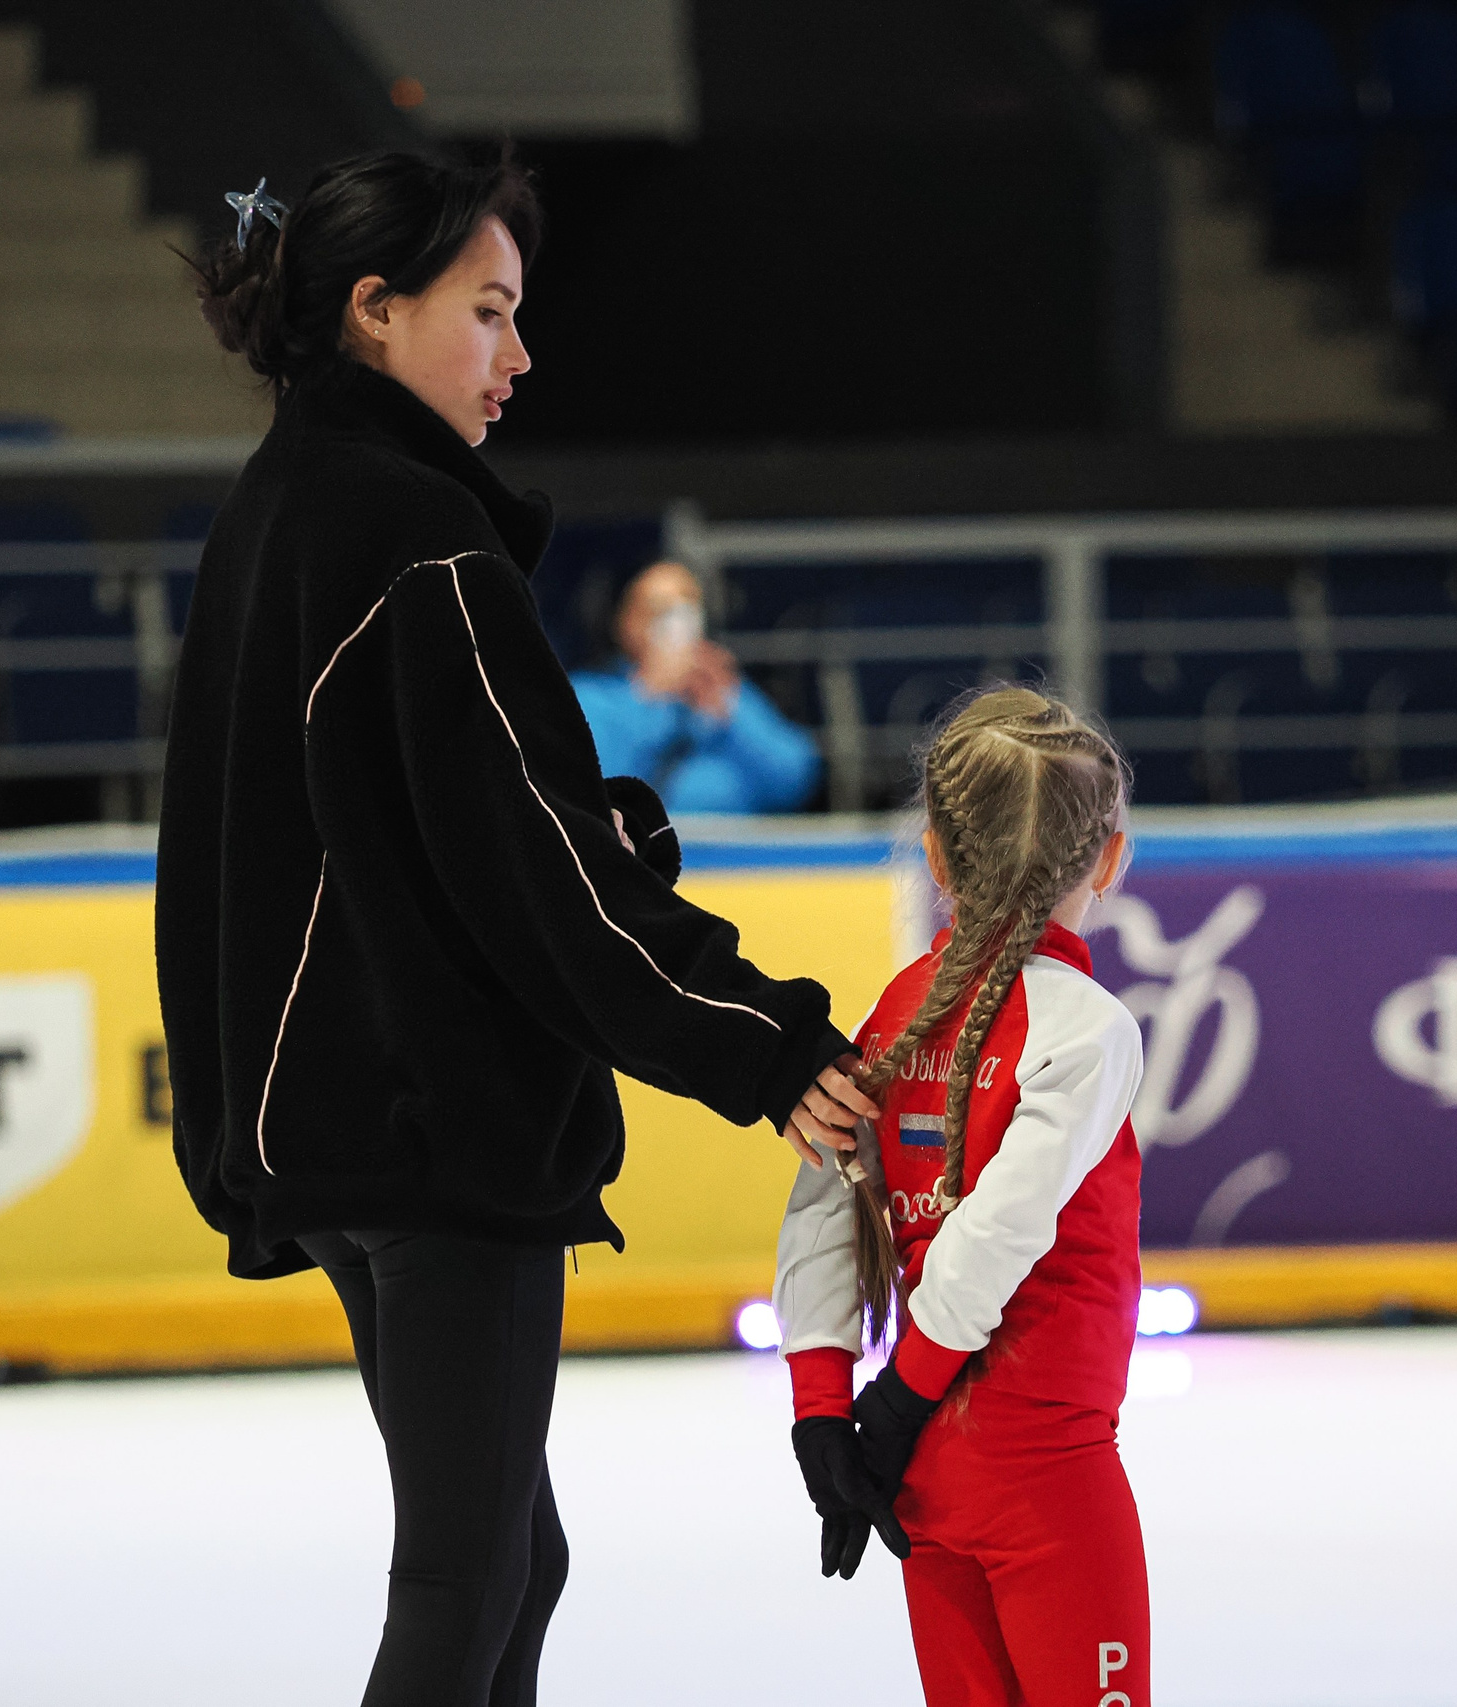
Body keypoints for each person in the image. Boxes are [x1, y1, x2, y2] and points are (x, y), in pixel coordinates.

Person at [153, 149, 879, 1707]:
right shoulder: (417, 539)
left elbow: (375, 837)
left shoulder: (274, 510)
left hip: (334, 1136)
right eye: (487, 312)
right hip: (432, 1133)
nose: (519, 355)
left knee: (506, 1561)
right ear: (374, 312)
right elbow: (542, 881)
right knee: (467, 1573)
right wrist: (763, 1040)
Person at [772, 686, 1153, 1707]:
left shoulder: (894, 1011)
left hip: (929, 1478)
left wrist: (825, 1416)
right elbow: (999, 1231)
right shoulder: (1087, 1028)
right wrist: (886, 1409)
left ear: (934, 857)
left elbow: (817, 1209)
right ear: (1109, 859)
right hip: (1046, 1476)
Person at [569, 560, 821, 814]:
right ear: (627, 622)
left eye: (687, 606)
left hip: (731, 847)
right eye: (658, 608)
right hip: (643, 848)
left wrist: (728, 710)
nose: (675, 621)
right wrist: (649, 698)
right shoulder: (591, 697)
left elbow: (796, 780)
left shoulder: (725, 692)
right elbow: (596, 789)